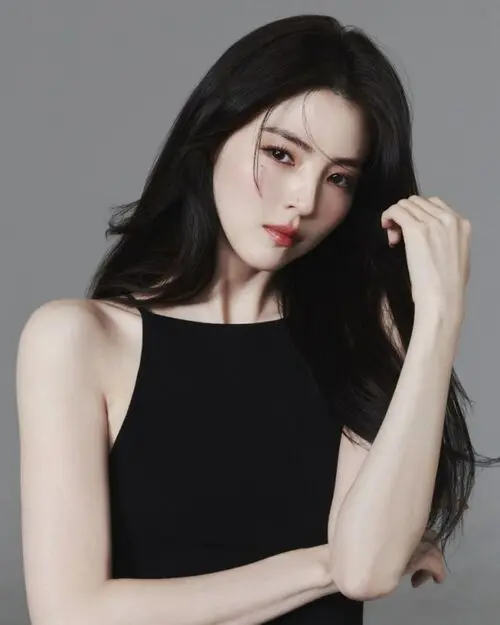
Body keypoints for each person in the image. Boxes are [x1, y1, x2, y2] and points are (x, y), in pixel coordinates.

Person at [15, 13, 500, 625]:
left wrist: (440, 316)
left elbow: (369, 571)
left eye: (339, 178)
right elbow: (70, 615)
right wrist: (325, 563)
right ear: (213, 134)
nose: (304, 199)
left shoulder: (361, 335)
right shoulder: (78, 340)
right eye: (280, 154)